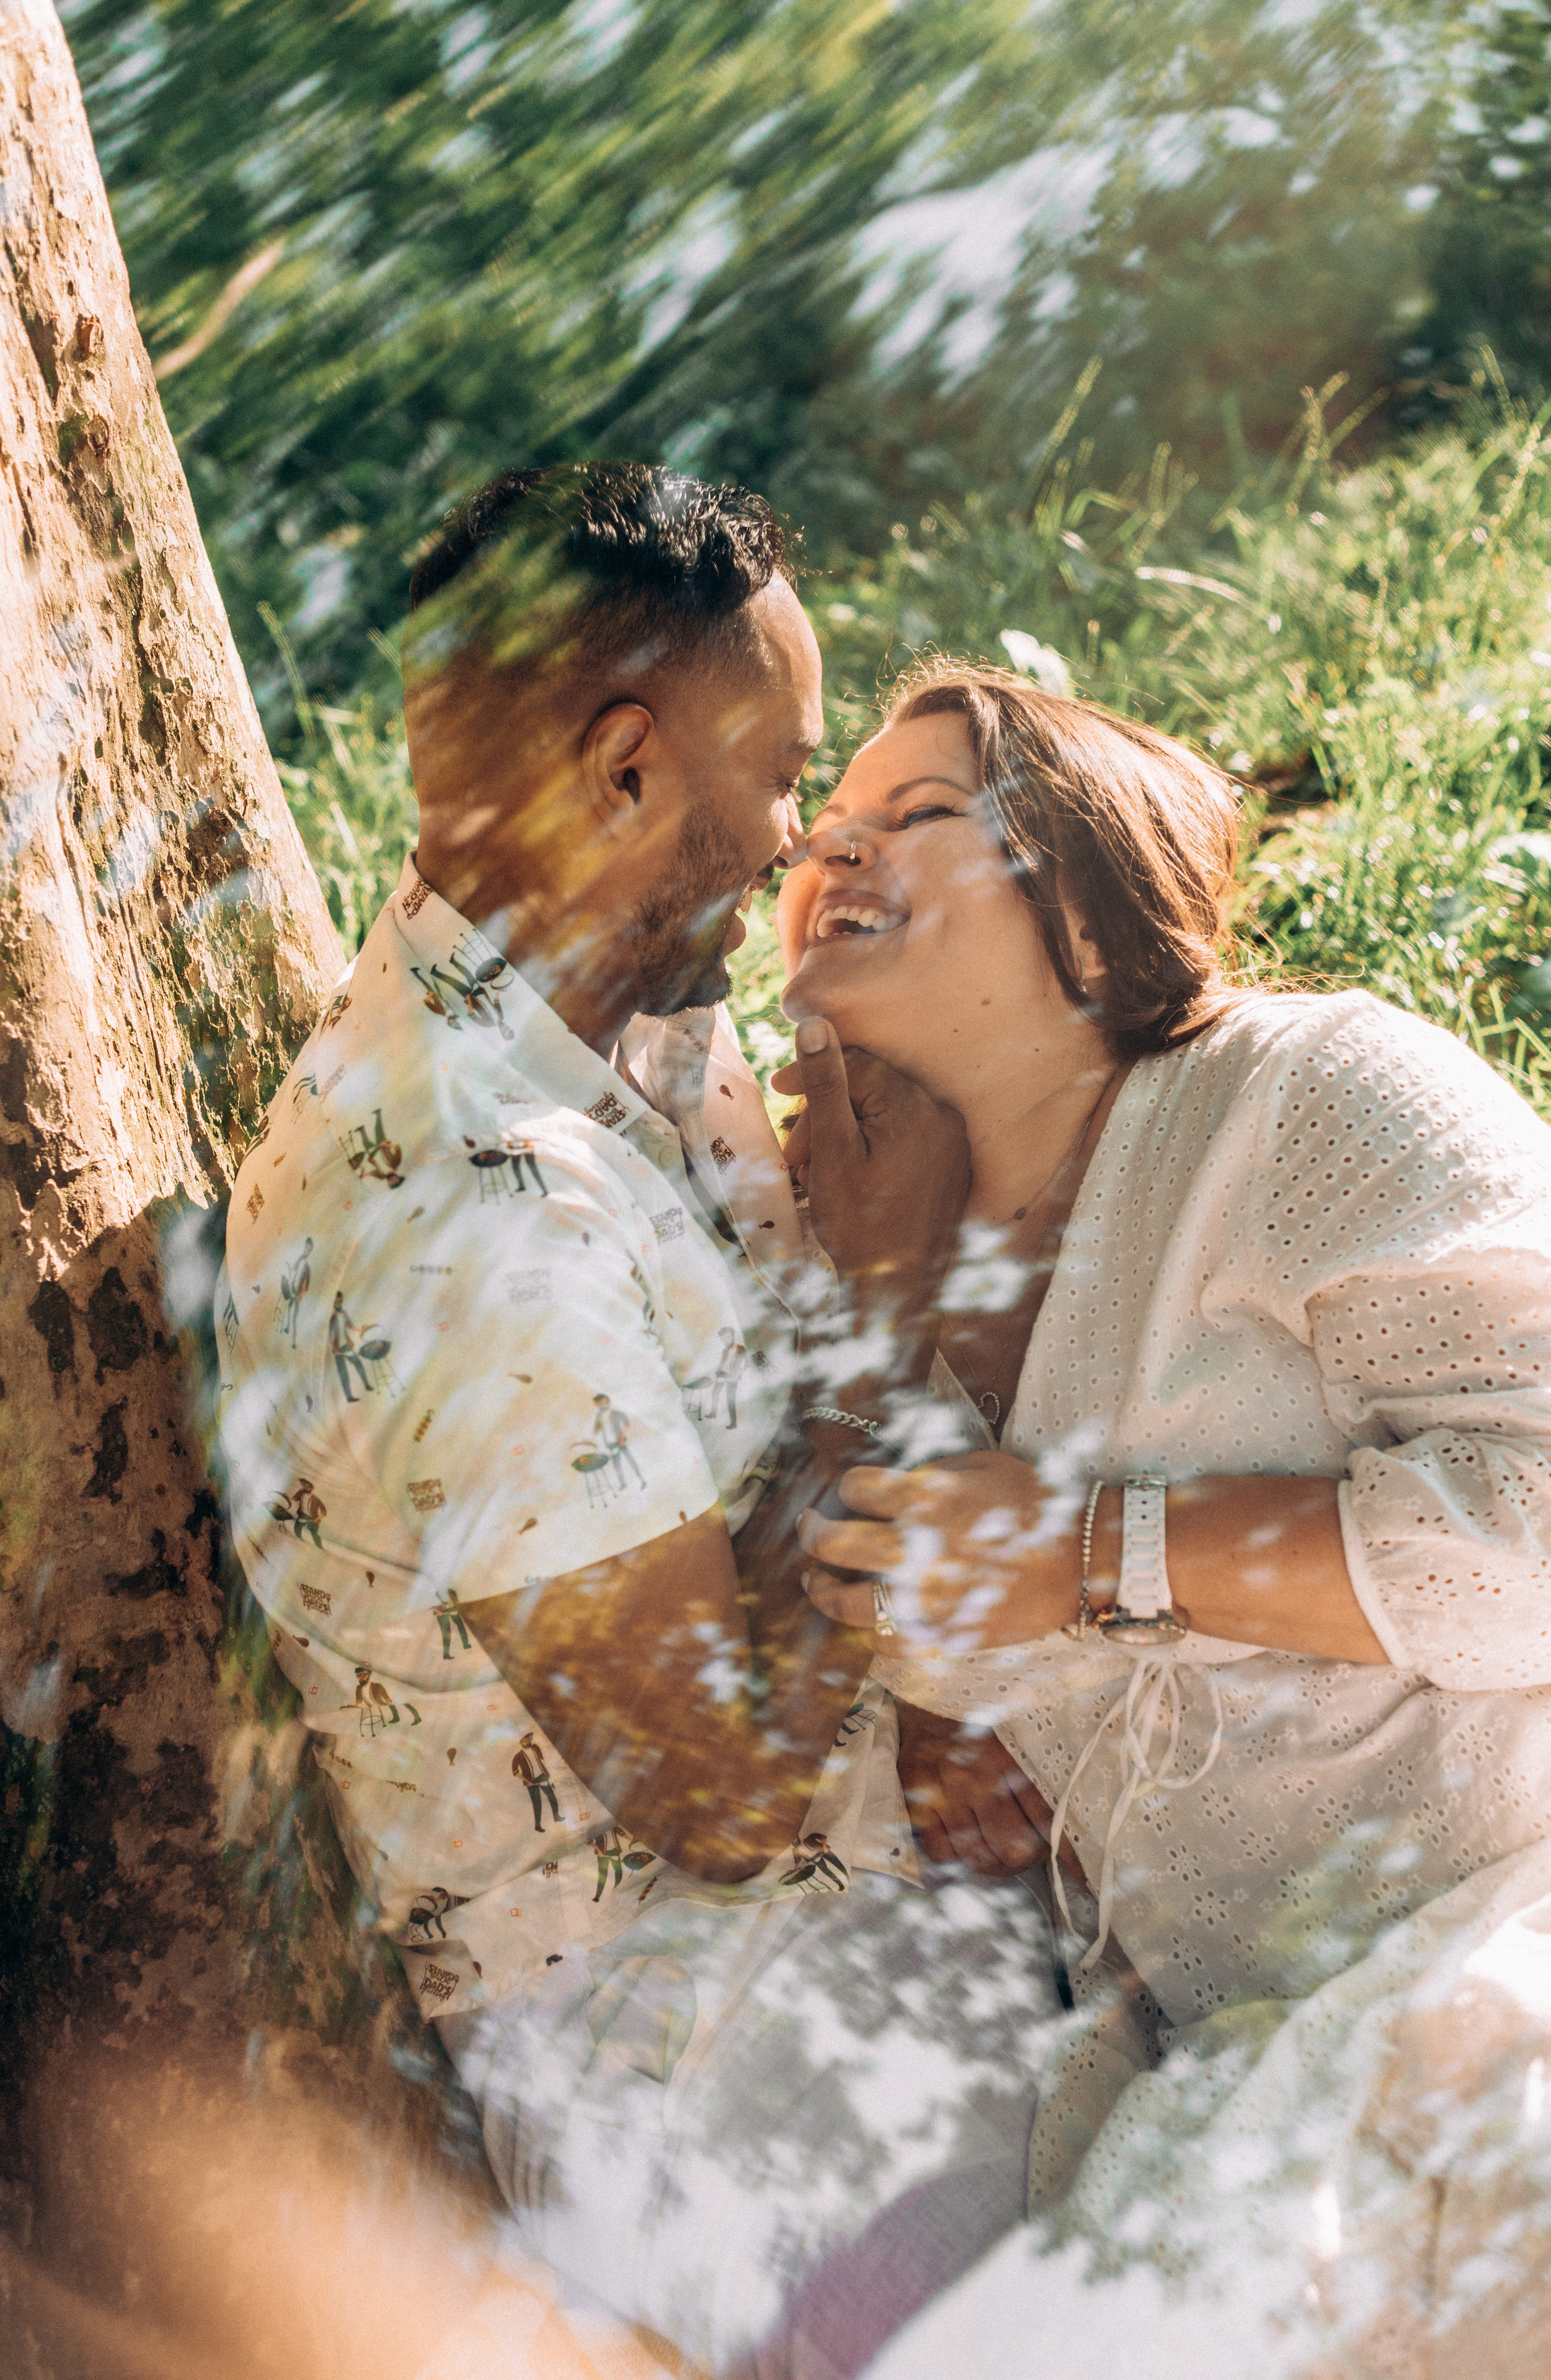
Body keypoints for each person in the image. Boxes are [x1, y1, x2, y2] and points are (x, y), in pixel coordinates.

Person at [216, 469, 1064, 2378]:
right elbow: (723, 1802)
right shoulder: (469, 1217)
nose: (800, 837)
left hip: (897, 1862)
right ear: (621, 771)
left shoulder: (630, 1006)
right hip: (698, 2045)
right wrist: (889, 1307)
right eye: (784, 777)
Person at [784, 659, 1551, 2371]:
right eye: (826, 824)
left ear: (1088, 903)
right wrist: (879, 1315)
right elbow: (948, 1719)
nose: (834, 852)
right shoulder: (868, 1254)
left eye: (920, 814)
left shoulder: (1305, 1096)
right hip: (1256, 2043)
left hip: (1541, 1902)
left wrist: (1093, 1553)